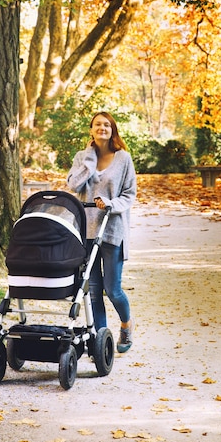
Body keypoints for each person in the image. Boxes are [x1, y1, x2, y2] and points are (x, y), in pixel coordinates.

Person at [67, 111, 137, 353]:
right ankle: (101, 344)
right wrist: (89, 159)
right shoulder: (81, 157)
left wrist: (110, 204)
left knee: (112, 289)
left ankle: (126, 325)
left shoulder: (123, 159)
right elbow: (73, 185)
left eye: (107, 125)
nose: (102, 128)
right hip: (86, 230)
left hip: (112, 230)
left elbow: (129, 194)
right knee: (94, 292)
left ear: (112, 130)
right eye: (98, 124)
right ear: (91, 129)